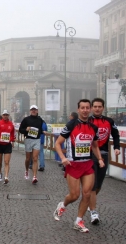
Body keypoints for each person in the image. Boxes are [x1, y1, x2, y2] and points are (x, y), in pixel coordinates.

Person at [54, 99, 104, 233]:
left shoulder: (93, 127)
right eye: (83, 108)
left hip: (88, 164)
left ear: (90, 109)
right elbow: (58, 143)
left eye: (88, 108)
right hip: (73, 164)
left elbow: (94, 145)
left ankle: (79, 221)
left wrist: (99, 158)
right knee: (74, 195)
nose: (85, 110)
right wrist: (63, 158)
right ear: (78, 109)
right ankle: (63, 205)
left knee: (87, 194)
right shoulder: (71, 125)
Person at [88, 98, 120, 225]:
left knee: (99, 185)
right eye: (95, 106)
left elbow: (116, 134)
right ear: (92, 108)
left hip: (104, 154)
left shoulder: (109, 121)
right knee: (93, 184)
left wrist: (117, 147)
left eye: (99, 106)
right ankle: (93, 211)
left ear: (103, 108)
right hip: (90, 155)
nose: (97, 108)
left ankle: (90, 201)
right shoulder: (88, 121)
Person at [19, 105, 44, 184]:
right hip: (28, 139)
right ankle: (26, 170)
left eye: (35, 110)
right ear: (30, 111)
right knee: (28, 159)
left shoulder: (40, 119)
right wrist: (26, 129)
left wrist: (42, 132)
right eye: (32, 110)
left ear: (37, 111)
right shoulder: (26, 119)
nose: (33, 111)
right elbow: (20, 130)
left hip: (37, 140)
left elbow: (40, 129)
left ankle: (34, 176)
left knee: (35, 158)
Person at [0, 110, 15, 184]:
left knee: (6, 162)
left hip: (7, 145)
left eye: (7, 115)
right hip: (0, 144)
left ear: (9, 115)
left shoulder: (11, 124)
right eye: (4, 115)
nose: (5, 116)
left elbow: (13, 134)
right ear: (2, 115)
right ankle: (0, 172)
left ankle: (6, 176)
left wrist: (12, 140)